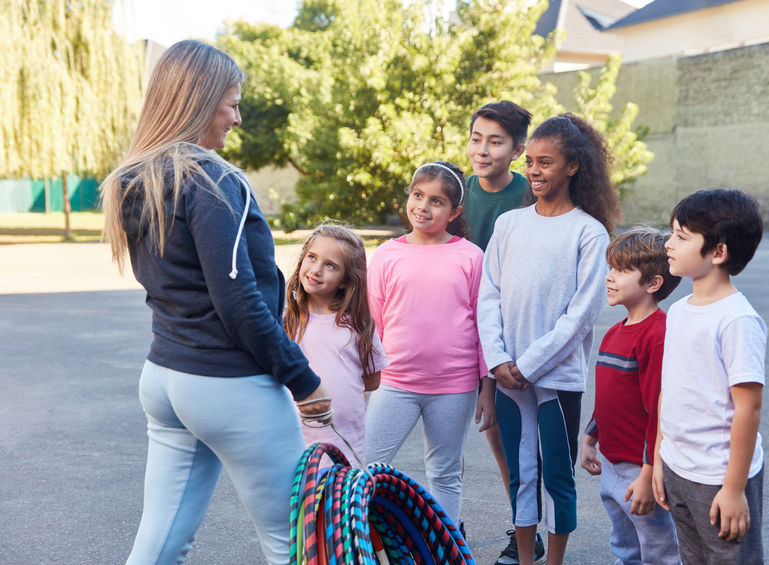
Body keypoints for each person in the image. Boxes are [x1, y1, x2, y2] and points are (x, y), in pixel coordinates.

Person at [99, 40, 330, 565]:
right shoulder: (213, 181)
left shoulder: (135, 180)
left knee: (159, 542)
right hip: (228, 384)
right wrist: (303, 379)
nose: (238, 118)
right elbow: (239, 301)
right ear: (200, 101)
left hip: (164, 379)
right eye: (232, 103)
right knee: (296, 540)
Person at [477, 113, 619, 565]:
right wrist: (499, 360)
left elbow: (581, 313)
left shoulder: (589, 231)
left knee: (557, 475)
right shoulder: (510, 225)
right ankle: (524, 558)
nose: (535, 171)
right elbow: (488, 296)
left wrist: (529, 363)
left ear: (573, 167)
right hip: (507, 376)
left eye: (547, 162)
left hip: (555, 377)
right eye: (532, 162)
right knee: (521, 476)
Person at [365, 160, 493, 528]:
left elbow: (484, 324)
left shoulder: (470, 256)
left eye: (436, 201)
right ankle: (369, 540)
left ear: (455, 212)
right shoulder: (388, 254)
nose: (423, 206)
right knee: (369, 463)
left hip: (454, 386)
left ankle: (445, 548)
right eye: (418, 195)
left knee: (444, 471)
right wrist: (365, 376)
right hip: (395, 382)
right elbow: (373, 322)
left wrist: (488, 387)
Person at [652, 188, 766, 564]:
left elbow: (747, 409)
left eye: (682, 237)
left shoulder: (737, 319)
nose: (669, 244)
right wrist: (658, 455)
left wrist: (734, 489)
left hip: (719, 476)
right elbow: (670, 387)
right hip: (678, 466)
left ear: (718, 252)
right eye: (672, 233)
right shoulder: (681, 309)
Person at [464, 100, 545, 565]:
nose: (482, 149)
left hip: (512, 332)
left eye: (495, 141)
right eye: (476, 138)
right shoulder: (456, 192)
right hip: (461, 330)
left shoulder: (527, 197)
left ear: (516, 150)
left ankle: (526, 531)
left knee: (516, 442)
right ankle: (444, 525)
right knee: (466, 436)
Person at [580, 227, 682, 565]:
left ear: (653, 283)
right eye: (610, 268)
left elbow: (659, 411)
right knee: (625, 547)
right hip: (612, 463)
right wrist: (590, 436)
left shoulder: (657, 335)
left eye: (622, 271)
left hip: (641, 469)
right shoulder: (614, 331)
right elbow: (610, 395)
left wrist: (647, 474)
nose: (609, 278)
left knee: (657, 551)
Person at [284, 223, 389, 466]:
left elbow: (372, 379)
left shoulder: (358, 325)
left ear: (345, 280)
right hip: (294, 439)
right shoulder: (286, 319)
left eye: (330, 265)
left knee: (337, 502)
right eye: (312, 258)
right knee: (298, 501)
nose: (316, 270)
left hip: (343, 444)